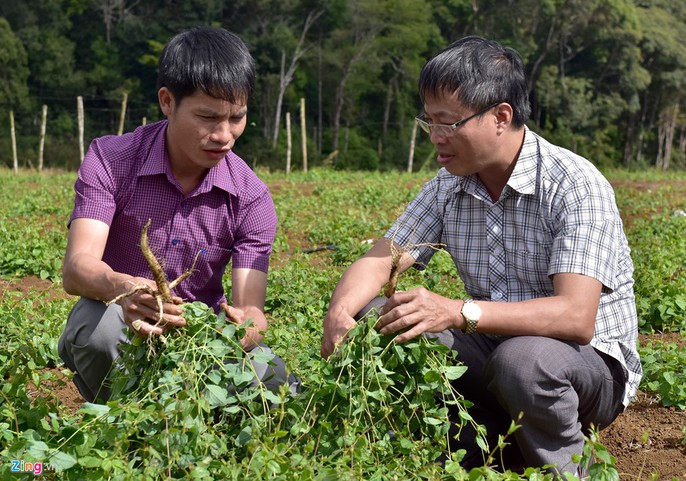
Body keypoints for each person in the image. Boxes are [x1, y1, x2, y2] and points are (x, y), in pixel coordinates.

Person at [321, 36, 641, 478]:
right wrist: (339, 313)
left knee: (523, 361)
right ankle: (480, 443)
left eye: (448, 123)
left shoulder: (574, 184)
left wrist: (455, 310)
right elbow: (383, 259)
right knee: (384, 316)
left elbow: (575, 317)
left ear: (500, 117)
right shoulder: (449, 184)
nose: (436, 137)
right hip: (497, 356)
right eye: (429, 121)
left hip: (585, 368)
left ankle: (565, 468)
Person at [59, 26, 299, 403]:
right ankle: (121, 425)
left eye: (237, 118)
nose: (224, 135)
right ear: (167, 101)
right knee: (100, 331)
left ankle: (199, 432)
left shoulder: (251, 197)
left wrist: (246, 328)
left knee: (279, 382)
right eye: (207, 117)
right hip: (122, 324)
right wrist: (126, 289)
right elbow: (77, 268)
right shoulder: (112, 160)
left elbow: (251, 308)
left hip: (198, 342)